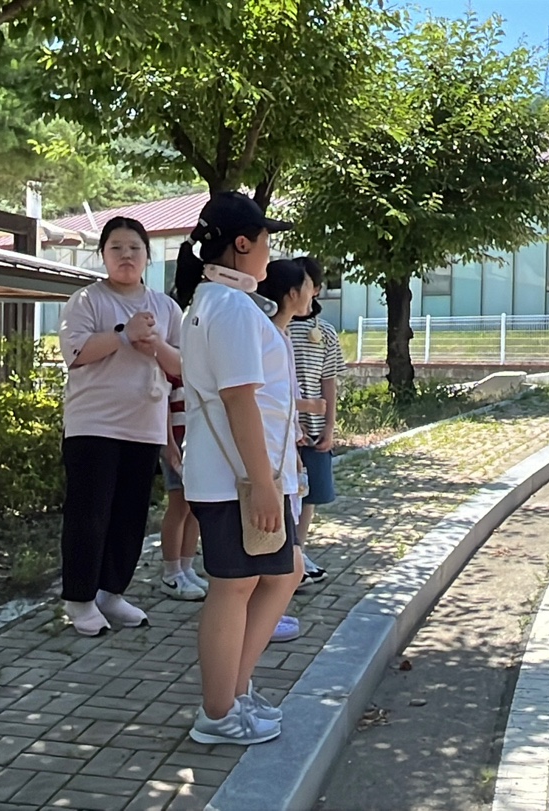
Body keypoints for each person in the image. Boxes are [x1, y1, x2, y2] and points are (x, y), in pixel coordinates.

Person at [176, 191, 301, 745]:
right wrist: (265, 485)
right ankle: (218, 712)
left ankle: (234, 691)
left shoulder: (220, 301)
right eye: (266, 241)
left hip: (235, 475)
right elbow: (239, 400)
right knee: (233, 587)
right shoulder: (227, 306)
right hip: (236, 479)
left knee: (281, 572)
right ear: (243, 244)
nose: (271, 253)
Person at [57, 216, 182, 635]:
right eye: (116, 248)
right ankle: (79, 599)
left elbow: (182, 366)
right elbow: (75, 352)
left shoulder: (166, 308)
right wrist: (124, 336)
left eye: (134, 248)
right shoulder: (87, 300)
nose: (126, 255)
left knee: (130, 515)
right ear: (102, 255)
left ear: (148, 256)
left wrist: (156, 345)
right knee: (89, 514)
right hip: (93, 425)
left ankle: (112, 592)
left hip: (144, 425)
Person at [256, 259, 325, 645]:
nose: (314, 293)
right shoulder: (266, 335)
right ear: (292, 293)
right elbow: (261, 400)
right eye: (309, 285)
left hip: (281, 452)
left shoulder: (280, 335)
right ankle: (262, 619)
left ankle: (269, 615)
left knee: (283, 547)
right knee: (273, 548)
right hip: (266, 456)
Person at [288, 256, 346, 591]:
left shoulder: (325, 332)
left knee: (309, 495)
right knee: (287, 494)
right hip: (282, 431)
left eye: (305, 283)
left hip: (313, 429)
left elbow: (329, 382)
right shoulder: (276, 327)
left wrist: (328, 427)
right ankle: (286, 558)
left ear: (317, 289)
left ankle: (299, 550)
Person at [159, 370, 209, 601]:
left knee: (195, 505)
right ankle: (171, 573)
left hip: (199, 435)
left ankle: (186, 567)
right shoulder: (172, 360)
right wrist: (169, 443)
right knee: (179, 503)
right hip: (178, 437)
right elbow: (162, 403)